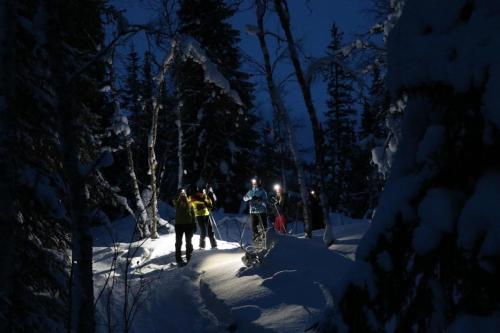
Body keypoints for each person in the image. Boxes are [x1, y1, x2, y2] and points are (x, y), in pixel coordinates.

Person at [173, 188, 196, 265]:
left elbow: (193, 213)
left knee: (189, 241)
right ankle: (178, 258)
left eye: (184, 193)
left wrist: (194, 223)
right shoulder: (177, 202)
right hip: (179, 225)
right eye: (181, 193)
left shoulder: (189, 202)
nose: (183, 194)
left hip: (188, 225)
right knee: (178, 242)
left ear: (186, 194)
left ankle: (189, 257)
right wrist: (178, 191)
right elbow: (174, 199)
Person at [243, 177, 268, 243]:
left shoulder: (263, 191)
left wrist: (258, 200)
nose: (254, 184)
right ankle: (257, 240)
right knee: (254, 227)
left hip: (261, 211)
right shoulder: (251, 191)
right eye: (253, 183)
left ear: (258, 183)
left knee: (263, 227)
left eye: (255, 182)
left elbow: (265, 202)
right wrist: (249, 197)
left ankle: (265, 239)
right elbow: (244, 198)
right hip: (253, 211)